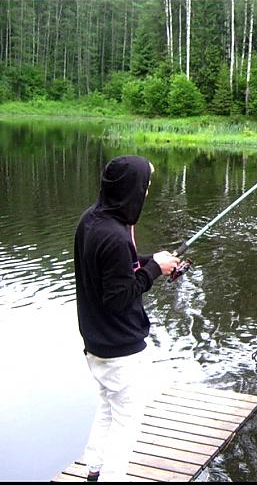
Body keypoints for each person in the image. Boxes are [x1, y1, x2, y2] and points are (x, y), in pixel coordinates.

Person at [73, 155, 180, 481]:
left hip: (97, 344)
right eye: (145, 186)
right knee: (127, 419)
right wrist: (152, 270)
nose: (146, 193)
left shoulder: (91, 221)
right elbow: (119, 296)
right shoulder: (117, 236)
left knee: (108, 405)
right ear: (132, 188)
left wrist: (156, 262)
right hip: (120, 348)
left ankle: (94, 468)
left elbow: (116, 268)